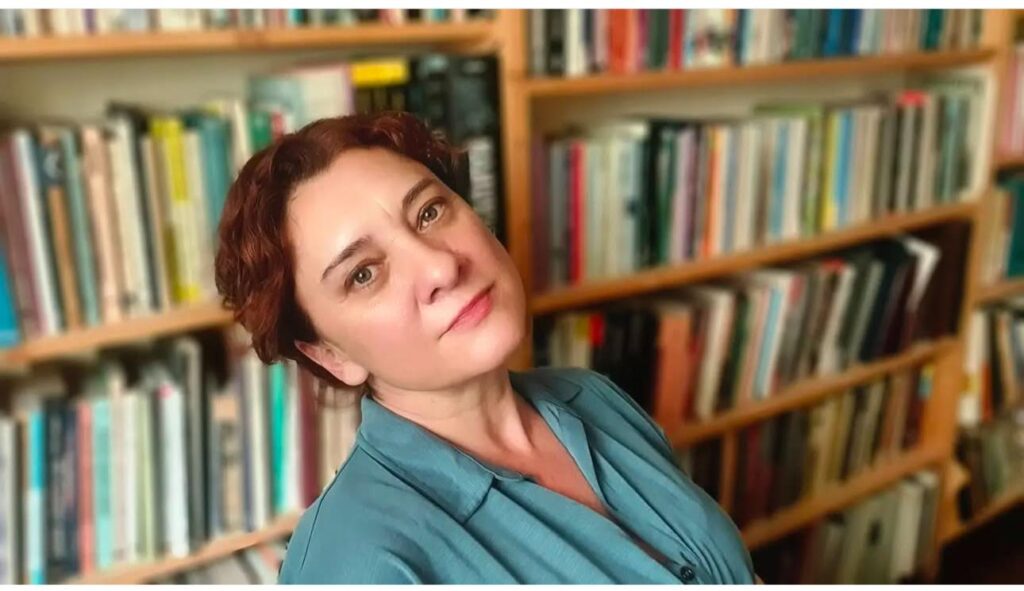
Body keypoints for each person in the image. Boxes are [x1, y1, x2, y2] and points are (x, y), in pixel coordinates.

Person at [215, 111, 755, 584]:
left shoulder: (592, 395)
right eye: (363, 274)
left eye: (429, 212)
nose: (441, 266)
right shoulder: (353, 565)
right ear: (331, 355)